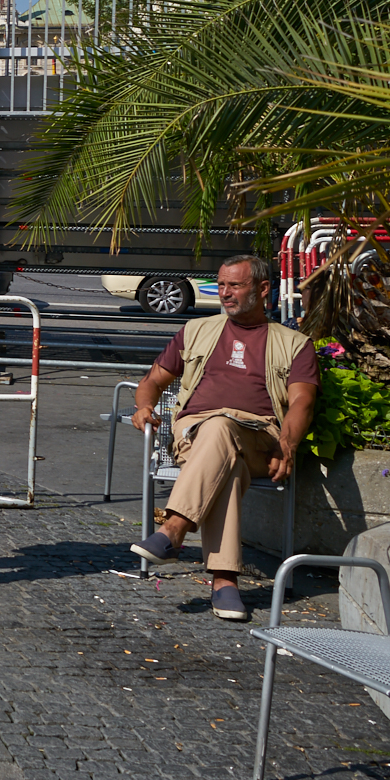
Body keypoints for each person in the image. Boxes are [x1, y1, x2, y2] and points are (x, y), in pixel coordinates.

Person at [128, 256, 318, 622]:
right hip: (196, 433)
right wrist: (143, 406)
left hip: (261, 438)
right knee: (219, 437)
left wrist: (288, 445)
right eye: (221, 284)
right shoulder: (197, 330)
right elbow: (152, 381)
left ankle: (174, 529)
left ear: (263, 289)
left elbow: (301, 402)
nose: (224, 293)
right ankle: (224, 581)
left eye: (235, 285)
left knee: (223, 437)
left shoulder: (294, 343)